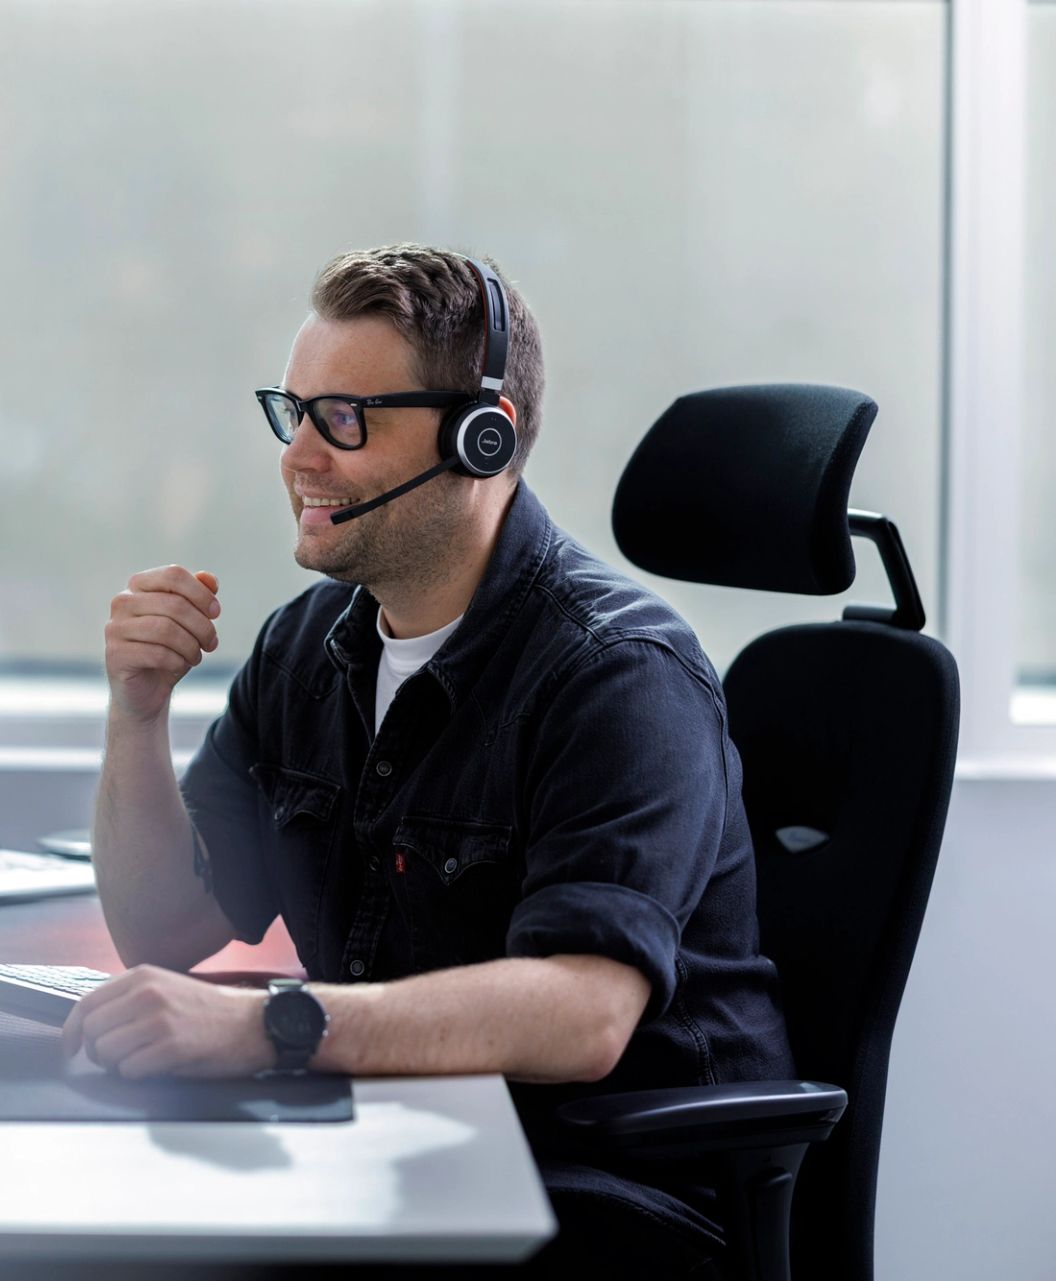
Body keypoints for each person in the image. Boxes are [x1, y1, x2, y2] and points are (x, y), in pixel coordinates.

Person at [64, 244, 794, 1278]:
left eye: (346, 421)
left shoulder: (619, 676)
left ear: (481, 440)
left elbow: (584, 1013)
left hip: (609, 1199)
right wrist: (135, 715)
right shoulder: (302, 649)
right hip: (404, 1145)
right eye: (294, 412)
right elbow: (163, 928)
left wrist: (273, 1026)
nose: (298, 458)